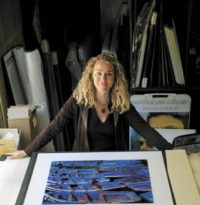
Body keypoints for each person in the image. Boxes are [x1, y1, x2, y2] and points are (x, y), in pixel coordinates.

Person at [9, 51, 173, 159]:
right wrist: (26, 151)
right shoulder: (77, 100)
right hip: (84, 161)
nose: (103, 79)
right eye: (99, 74)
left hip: (115, 162)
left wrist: (170, 150)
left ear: (115, 78)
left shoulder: (121, 102)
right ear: (91, 76)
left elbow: (144, 128)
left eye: (108, 74)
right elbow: (54, 127)